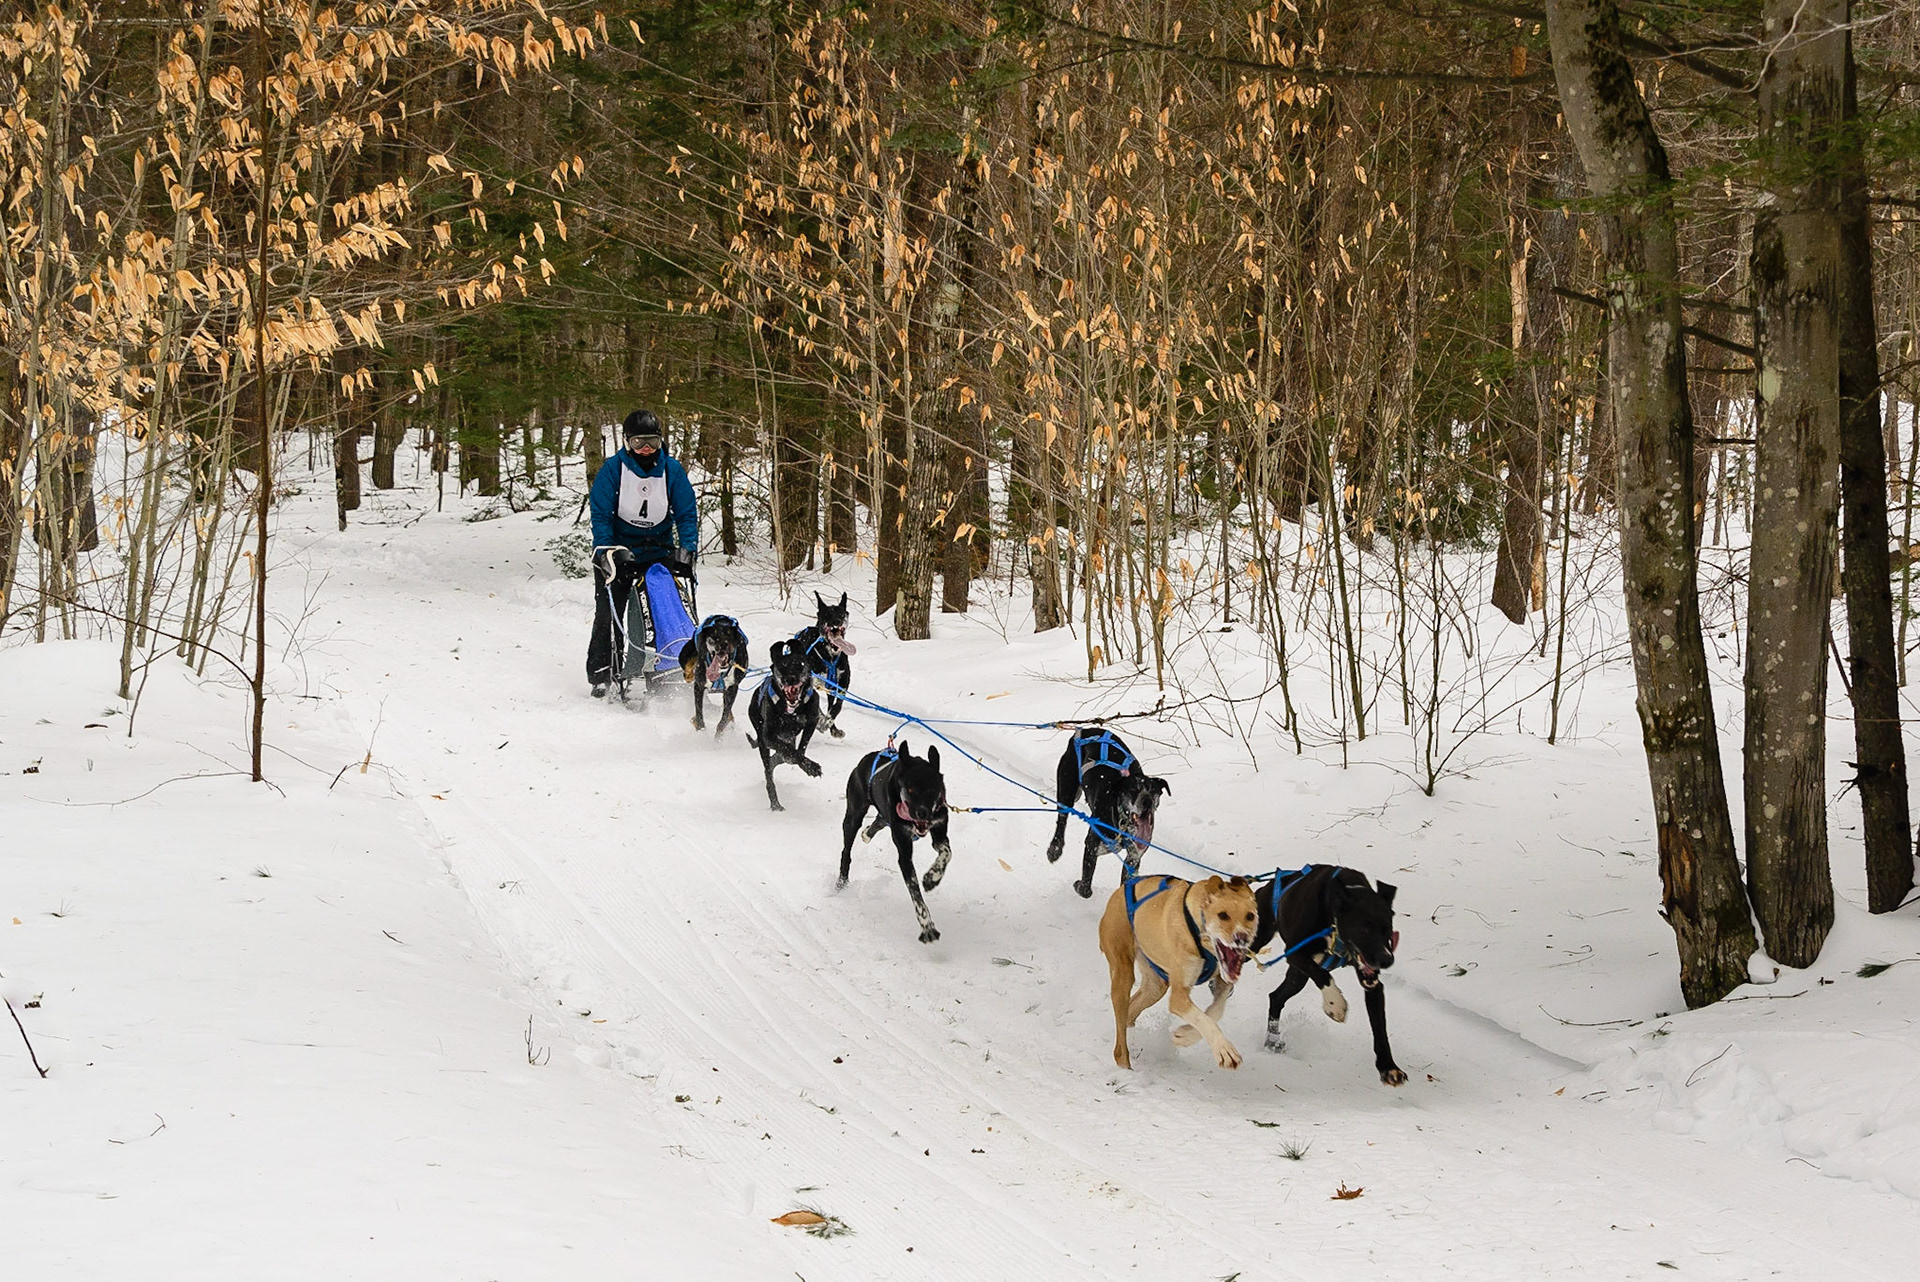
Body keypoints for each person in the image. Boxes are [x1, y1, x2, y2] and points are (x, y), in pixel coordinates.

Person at [586, 409, 699, 695]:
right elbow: (601, 514)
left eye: (652, 442)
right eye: (638, 442)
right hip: (618, 550)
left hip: (658, 548)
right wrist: (607, 551)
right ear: (627, 443)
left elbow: (686, 513)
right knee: (609, 611)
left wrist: (687, 550)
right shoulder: (613, 470)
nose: (646, 448)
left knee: (668, 607)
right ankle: (602, 673)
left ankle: (673, 664)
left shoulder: (671, 470)